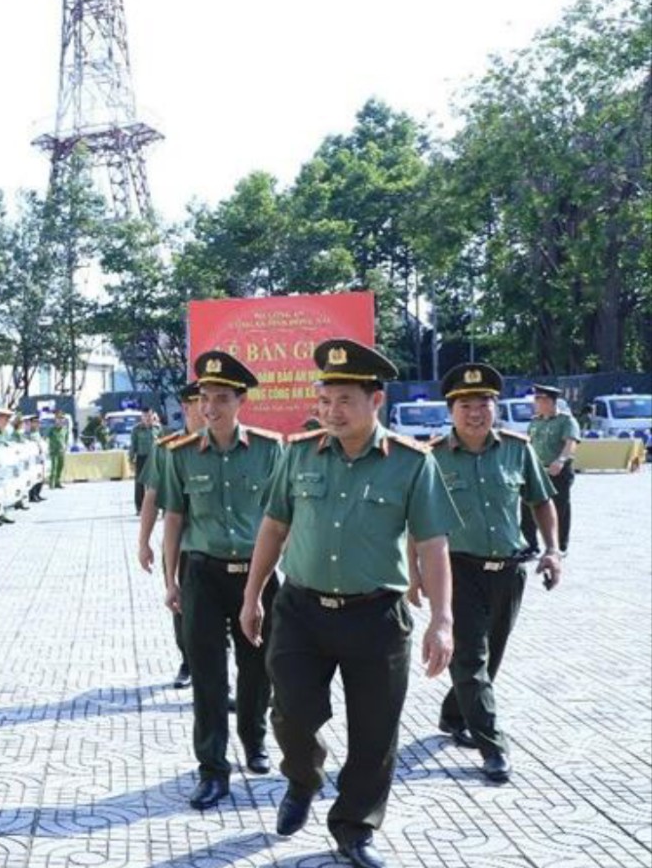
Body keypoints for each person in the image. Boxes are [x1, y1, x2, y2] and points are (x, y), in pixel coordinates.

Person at [239, 338, 460, 868]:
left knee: (374, 730)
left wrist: (443, 621)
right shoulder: (298, 455)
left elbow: (432, 543)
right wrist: (253, 594)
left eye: (345, 400)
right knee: (290, 712)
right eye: (325, 400)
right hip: (300, 610)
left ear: (375, 401)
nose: (332, 411)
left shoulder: (411, 463)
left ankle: (355, 825)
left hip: (377, 615)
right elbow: (274, 525)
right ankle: (304, 775)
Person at [416, 363, 561, 785]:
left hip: (509, 570)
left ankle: (454, 713)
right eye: (465, 404)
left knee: (490, 655)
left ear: (496, 407)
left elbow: (541, 502)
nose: (475, 412)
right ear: (450, 409)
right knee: (470, 656)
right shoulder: (433, 457)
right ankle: (492, 745)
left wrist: (553, 551)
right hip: (457, 570)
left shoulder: (519, 449)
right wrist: (414, 572)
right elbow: (416, 520)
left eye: (484, 403)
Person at [158, 354, 285, 810]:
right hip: (204, 575)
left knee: (258, 666)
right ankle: (212, 769)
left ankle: (254, 740)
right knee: (208, 675)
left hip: (258, 574)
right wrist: (171, 579)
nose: (210, 408)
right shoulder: (182, 454)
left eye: (221, 399)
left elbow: (284, 516)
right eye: (205, 399)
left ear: (241, 401)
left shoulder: (272, 450)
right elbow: (174, 518)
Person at [137, 382, 203, 690]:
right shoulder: (167, 449)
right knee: (181, 605)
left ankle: (217, 669)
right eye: (196, 404)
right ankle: (189, 660)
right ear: (186, 409)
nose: (205, 409)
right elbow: (151, 495)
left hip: (217, 546)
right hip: (181, 544)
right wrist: (143, 542)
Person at [521, 384, 579, 556]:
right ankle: (529, 545)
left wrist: (560, 460)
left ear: (550, 401)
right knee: (527, 507)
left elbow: (571, 443)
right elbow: (529, 444)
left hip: (557, 470)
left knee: (559, 508)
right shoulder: (535, 421)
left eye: (540, 399)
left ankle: (559, 546)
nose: (536, 403)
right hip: (536, 470)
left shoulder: (566, 420)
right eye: (536, 399)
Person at [130, 408, 160, 511]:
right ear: (142, 417)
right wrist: (131, 459)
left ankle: (154, 506)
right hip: (141, 458)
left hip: (154, 458)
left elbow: (162, 444)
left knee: (154, 483)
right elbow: (133, 445)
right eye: (145, 416)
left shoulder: (158, 428)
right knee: (139, 483)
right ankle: (139, 507)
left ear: (153, 416)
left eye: (149, 416)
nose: (147, 418)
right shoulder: (136, 429)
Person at [23, 414, 47, 502]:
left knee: (40, 477)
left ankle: (37, 494)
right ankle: (32, 496)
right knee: (34, 477)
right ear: (31, 423)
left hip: (40, 458)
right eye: (35, 422)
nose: (37, 424)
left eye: (38, 422)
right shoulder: (28, 433)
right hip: (33, 460)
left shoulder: (37, 432)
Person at [47, 413, 68, 490]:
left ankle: (57, 482)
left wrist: (65, 447)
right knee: (54, 467)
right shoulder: (52, 429)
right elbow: (46, 438)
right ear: (56, 420)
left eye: (62, 419)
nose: (60, 421)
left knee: (60, 467)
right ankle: (51, 483)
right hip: (53, 451)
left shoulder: (65, 429)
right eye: (59, 419)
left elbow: (66, 440)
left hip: (61, 452)